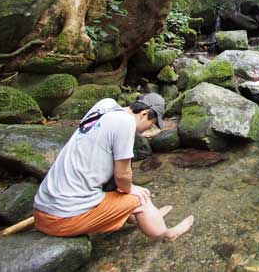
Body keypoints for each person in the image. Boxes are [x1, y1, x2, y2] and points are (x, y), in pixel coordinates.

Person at [33, 93, 194, 241]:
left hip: (42, 211)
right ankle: (165, 234)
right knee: (141, 198)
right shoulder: (125, 123)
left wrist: (127, 188)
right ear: (143, 114)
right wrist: (132, 189)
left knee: (121, 190)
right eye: (151, 124)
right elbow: (122, 175)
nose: (148, 130)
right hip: (62, 219)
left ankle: (147, 218)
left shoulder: (105, 106)